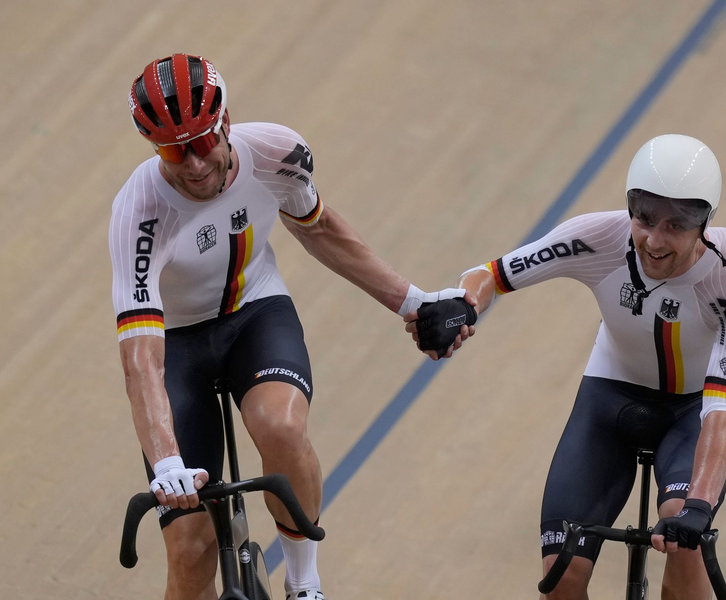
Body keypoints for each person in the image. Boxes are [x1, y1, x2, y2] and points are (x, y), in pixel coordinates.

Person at [110, 53, 468, 600]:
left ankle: (303, 583)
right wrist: (165, 461)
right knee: (189, 552)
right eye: (172, 150)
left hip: (255, 313)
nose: (194, 163)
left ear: (226, 122)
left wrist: (412, 303)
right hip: (177, 343)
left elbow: (322, 230)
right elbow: (141, 359)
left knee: (279, 427)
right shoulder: (139, 209)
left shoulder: (276, 152)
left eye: (203, 141)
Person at [405, 134, 726, 599]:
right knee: (562, 575)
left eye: (675, 225)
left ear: (704, 225)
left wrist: (699, 503)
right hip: (610, 398)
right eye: (644, 219)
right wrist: (465, 305)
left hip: (691, 414)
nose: (654, 241)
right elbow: (491, 275)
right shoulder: (599, 237)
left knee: (684, 543)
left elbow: (722, 410)